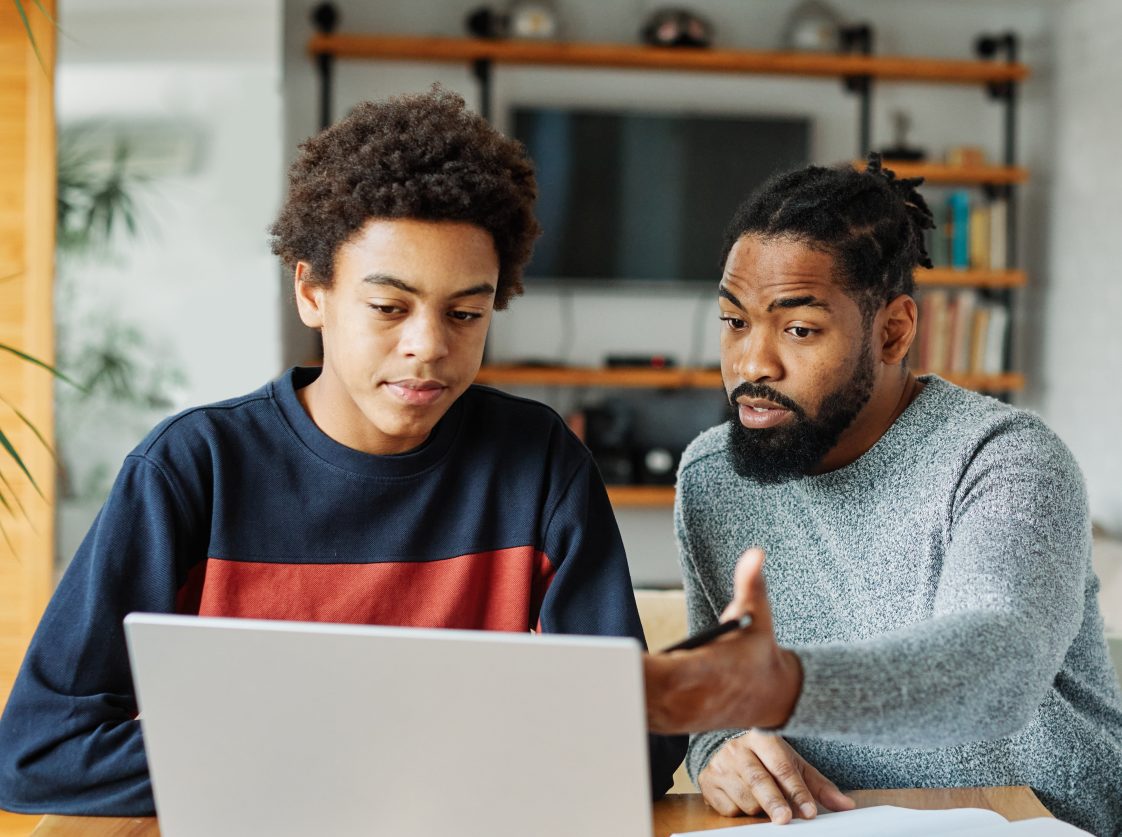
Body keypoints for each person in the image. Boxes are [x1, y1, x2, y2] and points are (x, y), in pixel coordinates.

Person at [0, 87, 685, 816]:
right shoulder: (191, 470)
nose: (428, 345)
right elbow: (38, 752)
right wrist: (338, 754)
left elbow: (630, 751)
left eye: (466, 313)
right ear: (312, 291)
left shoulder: (539, 463)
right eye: (389, 307)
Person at [643, 156, 1122, 836]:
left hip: (1038, 821)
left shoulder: (1006, 459)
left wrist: (782, 685)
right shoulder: (712, 477)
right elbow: (722, 708)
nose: (752, 364)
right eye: (734, 321)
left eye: (799, 329)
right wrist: (722, 748)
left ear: (894, 331)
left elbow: (996, 671)